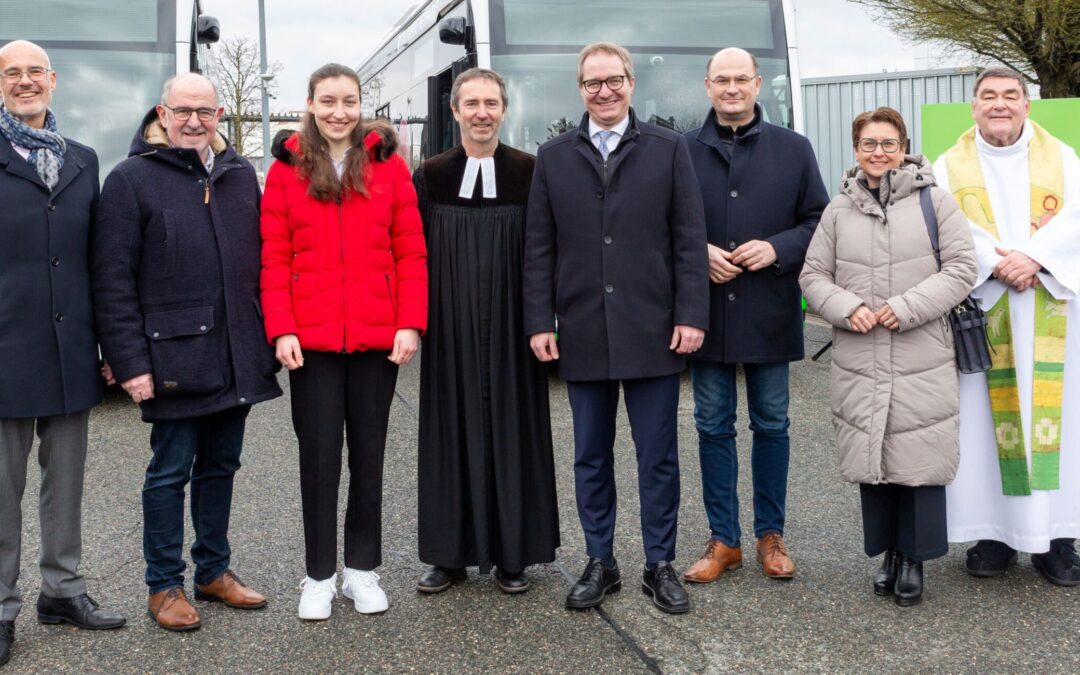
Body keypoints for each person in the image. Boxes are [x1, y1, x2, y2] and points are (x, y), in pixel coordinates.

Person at [524, 42, 709, 615]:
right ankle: (601, 562)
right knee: (590, 457)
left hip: (654, 330)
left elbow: (687, 238)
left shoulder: (668, 147)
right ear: (579, 89)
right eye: (592, 83)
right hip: (581, 330)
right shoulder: (553, 156)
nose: (604, 92)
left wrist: (691, 314)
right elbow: (538, 247)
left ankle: (660, 563)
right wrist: (539, 321)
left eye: (614, 81)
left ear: (631, 83)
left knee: (658, 456)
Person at [92, 72, 281, 632]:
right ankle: (163, 585)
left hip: (236, 353)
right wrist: (130, 363)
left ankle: (212, 571)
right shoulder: (130, 180)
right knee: (169, 472)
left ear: (220, 115)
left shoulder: (241, 176)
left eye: (206, 111)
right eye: (184, 110)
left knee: (221, 466)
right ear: (162, 113)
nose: (195, 120)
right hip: (172, 359)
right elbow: (112, 280)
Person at [260, 63, 427, 620]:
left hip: (379, 341)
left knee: (371, 457)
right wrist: (281, 326)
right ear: (309, 104)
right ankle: (318, 576)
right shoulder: (285, 171)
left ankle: (361, 570)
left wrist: (410, 322)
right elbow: (275, 257)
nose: (339, 112)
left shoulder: (389, 166)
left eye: (349, 101)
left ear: (361, 105)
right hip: (311, 343)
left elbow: (410, 252)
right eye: (327, 101)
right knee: (318, 459)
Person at [801, 107, 977, 606]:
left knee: (918, 456)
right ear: (855, 150)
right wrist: (847, 307)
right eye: (869, 144)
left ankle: (915, 557)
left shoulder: (934, 202)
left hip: (919, 348)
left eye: (888, 143)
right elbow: (813, 276)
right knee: (873, 455)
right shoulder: (838, 210)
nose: (879, 153)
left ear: (904, 146)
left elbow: (963, 268)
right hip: (861, 352)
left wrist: (905, 308)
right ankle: (888, 553)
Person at [680, 47, 830, 585]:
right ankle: (725, 540)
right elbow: (658, 221)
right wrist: (697, 251)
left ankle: (771, 535)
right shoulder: (681, 151)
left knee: (772, 426)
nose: (731, 88)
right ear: (707, 86)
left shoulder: (794, 149)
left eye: (741, 78)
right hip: (707, 315)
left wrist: (779, 247)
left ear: (758, 83)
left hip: (769, 311)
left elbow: (819, 219)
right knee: (712, 428)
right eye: (721, 79)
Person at [0, 39, 125, 666]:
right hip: (5, 348)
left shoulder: (84, 159)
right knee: (1, 491)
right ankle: (0, 610)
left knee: (65, 485)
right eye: (11, 73)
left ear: (54, 80)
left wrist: (107, 342)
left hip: (71, 345)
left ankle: (62, 592)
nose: (25, 82)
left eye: (34, 72)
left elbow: (93, 259)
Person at [412, 68, 559, 595]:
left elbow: (545, 249)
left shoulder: (530, 170)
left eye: (491, 103)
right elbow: (413, 252)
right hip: (449, 326)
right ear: (454, 111)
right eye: (470, 103)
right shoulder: (429, 173)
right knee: (448, 431)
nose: (481, 112)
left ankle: (512, 553)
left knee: (514, 428)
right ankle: (447, 555)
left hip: (515, 323)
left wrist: (544, 318)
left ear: (503, 109)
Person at [933, 67, 1080, 585]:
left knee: (1058, 424)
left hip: (1051, 305)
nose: (1000, 104)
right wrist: (997, 263)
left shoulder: (1064, 159)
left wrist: (1036, 258)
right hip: (986, 309)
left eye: (1010, 95)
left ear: (1027, 105)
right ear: (973, 106)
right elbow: (941, 225)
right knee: (983, 424)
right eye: (989, 96)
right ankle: (993, 536)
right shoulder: (948, 167)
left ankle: (1057, 539)